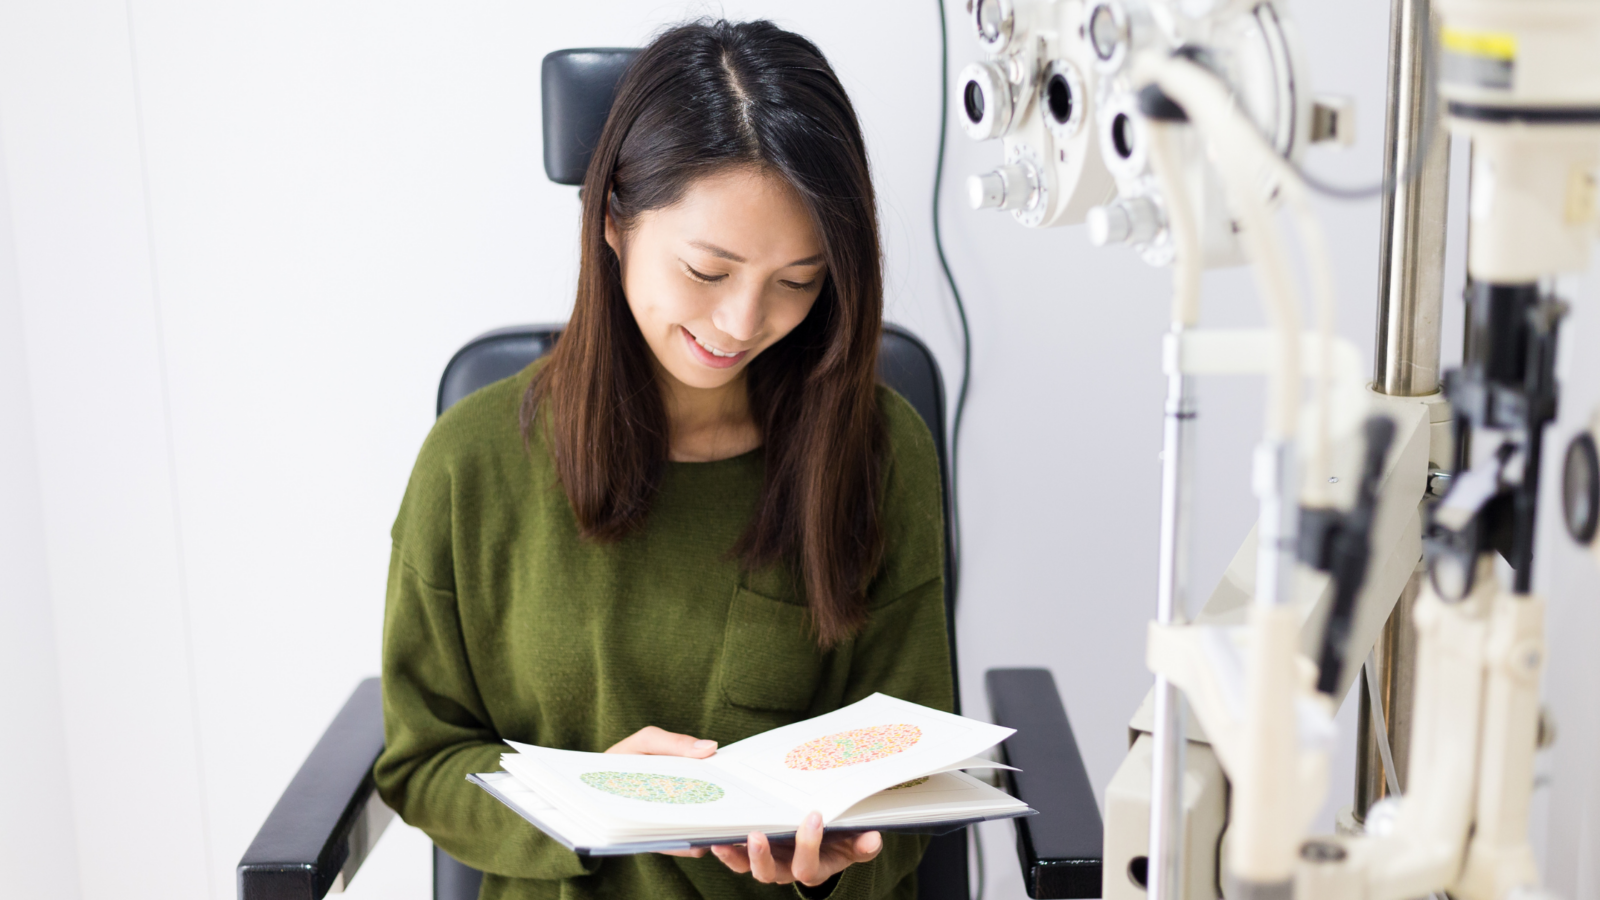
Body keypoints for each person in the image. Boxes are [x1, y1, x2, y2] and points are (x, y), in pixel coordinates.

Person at [375, 18, 952, 900]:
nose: (742, 323)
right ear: (613, 221)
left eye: (798, 281)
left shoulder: (875, 451)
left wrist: (831, 872)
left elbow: (912, 775)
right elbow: (423, 760)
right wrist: (590, 803)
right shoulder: (473, 465)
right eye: (707, 270)